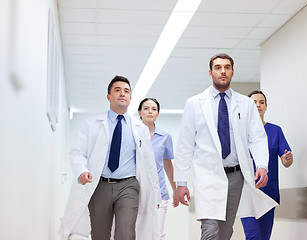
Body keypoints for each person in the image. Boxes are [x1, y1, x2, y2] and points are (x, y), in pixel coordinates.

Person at [174, 53, 278, 240]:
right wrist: (180, 183)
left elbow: (257, 138)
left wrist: (262, 165)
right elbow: (184, 145)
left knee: (225, 230)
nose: (223, 71)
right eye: (218, 67)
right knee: (210, 229)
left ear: (232, 72)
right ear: (210, 72)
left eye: (227, 67)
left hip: (236, 176)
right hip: (208, 174)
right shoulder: (195, 104)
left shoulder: (246, 104)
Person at [59, 75, 161, 240]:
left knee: (126, 233)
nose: (122, 93)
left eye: (126, 91)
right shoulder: (91, 124)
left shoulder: (139, 129)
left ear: (130, 98)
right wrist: (82, 171)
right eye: (117, 90)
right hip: (100, 185)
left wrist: (155, 195)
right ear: (109, 97)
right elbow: (77, 152)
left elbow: (149, 164)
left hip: (128, 186)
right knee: (100, 234)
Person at [241, 90, 293, 240]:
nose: (258, 105)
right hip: (247, 192)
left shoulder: (275, 131)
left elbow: (286, 161)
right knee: (253, 235)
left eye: (261, 102)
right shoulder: (241, 132)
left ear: (266, 106)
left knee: (264, 237)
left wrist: (288, 158)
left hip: (268, 193)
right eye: (254, 102)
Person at [137, 97, 179, 240]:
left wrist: (175, 189)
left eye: (154, 109)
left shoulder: (165, 137)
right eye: (146, 108)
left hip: (159, 193)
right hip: (136, 192)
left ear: (158, 113)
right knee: (137, 233)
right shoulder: (133, 134)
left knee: (157, 233)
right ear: (139, 112)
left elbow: (167, 164)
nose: (150, 111)